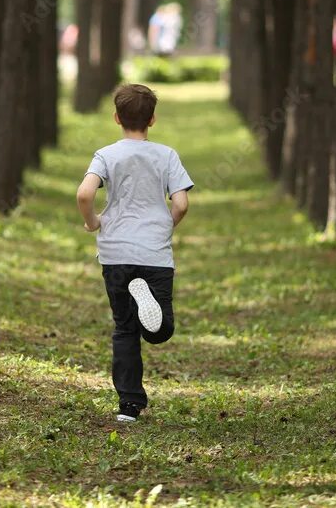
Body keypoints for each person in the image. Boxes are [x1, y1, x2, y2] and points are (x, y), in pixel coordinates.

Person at [75, 84, 194, 423]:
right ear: (152, 119)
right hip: (153, 253)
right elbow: (182, 203)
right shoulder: (167, 155)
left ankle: (129, 406)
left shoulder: (106, 155)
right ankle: (153, 317)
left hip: (116, 253)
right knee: (160, 331)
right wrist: (165, 225)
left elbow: (85, 194)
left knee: (124, 329)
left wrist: (93, 222)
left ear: (116, 118)